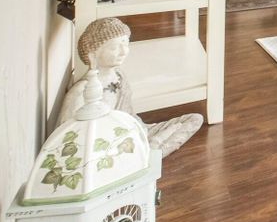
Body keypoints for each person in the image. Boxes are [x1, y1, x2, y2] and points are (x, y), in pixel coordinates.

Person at [58, 17, 203, 157]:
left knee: (195, 119)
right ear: (92, 55)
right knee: (142, 146)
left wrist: (142, 131)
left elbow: (130, 115)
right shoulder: (82, 91)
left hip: (135, 130)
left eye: (126, 44)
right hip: (112, 145)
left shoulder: (119, 75)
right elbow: (66, 137)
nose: (123, 52)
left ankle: (149, 149)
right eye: (114, 47)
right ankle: (149, 151)